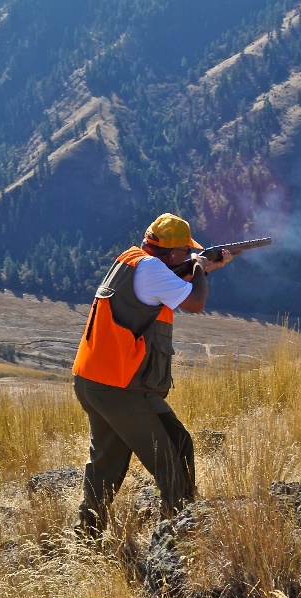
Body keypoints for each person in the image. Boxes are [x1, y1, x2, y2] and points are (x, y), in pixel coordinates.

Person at [71, 213, 232, 537]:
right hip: (119, 387)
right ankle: (179, 539)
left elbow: (164, 287)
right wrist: (200, 268)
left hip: (95, 379)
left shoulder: (132, 260)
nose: (187, 256)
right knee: (170, 460)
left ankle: (86, 537)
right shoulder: (154, 269)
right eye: (185, 253)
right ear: (172, 255)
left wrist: (198, 268)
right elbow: (197, 302)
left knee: (111, 463)